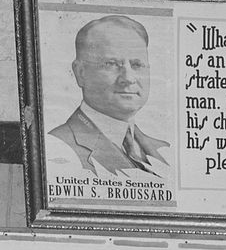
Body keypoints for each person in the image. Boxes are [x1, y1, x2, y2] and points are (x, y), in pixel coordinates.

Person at [49, 15, 171, 179]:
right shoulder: (58, 147)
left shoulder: (165, 151)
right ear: (80, 73)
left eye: (137, 65)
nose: (128, 78)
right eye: (111, 64)